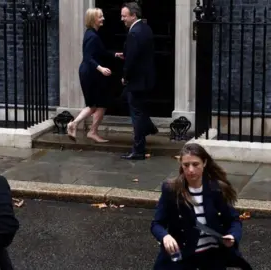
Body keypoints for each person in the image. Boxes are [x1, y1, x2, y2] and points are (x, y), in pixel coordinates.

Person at [150, 143, 252, 270]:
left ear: (204, 163)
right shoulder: (172, 190)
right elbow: (156, 224)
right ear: (181, 165)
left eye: (195, 164)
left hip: (212, 259)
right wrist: (165, 236)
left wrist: (232, 236)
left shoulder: (216, 189)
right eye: (186, 165)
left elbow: (234, 220)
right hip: (183, 257)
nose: (190, 170)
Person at [66, 7, 119, 143]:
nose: (103, 19)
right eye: (100, 17)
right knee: (94, 105)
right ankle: (75, 125)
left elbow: (100, 52)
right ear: (93, 19)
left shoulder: (92, 34)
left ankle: (92, 131)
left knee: (100, 104)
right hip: (90, 73)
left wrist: (115, 54)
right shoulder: (92, 36)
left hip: (91, 73)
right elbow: (88, 57)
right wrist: (100, 68)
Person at [117, 2, 158, 160]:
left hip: (137, 80)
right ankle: (149, 127)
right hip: (146, 79)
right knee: (139, 109)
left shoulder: (134, 32)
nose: (122, 19)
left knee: (136, 114)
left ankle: (139, 150)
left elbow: (132, 60)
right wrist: (126, 53)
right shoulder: (145, 28)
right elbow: (139, 53)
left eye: (124, 16)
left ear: (133, 15)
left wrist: (125, 77)